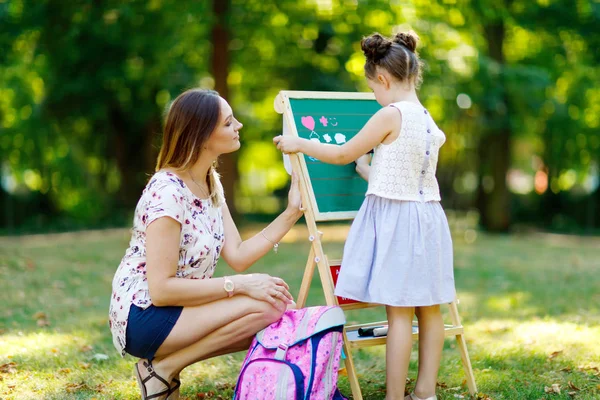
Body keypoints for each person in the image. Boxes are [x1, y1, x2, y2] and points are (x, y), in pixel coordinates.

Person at [273, 31, 455, 400]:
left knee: (400, 313)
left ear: (384, 80)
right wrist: (367, 171)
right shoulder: (425, 117)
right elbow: (406, 179)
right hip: (429, 218)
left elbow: (341, 153)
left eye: (373, 88)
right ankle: (424, 392)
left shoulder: (390, 114)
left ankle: (393, 397)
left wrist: (299, 143)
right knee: (430, 309)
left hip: (399, 223)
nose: (374, 96)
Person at [109, 88, 303, 400]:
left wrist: (293, 213)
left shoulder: (210, 183)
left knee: (281, 309)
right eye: (228, 123)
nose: (238, 125)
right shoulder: (167, 191)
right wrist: (240, 285)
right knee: (270, 306)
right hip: (143, 314)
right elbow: (161, 290)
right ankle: (164, 370)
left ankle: (165, 368)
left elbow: (238, 255)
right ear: (201, 136)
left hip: (180, 307)